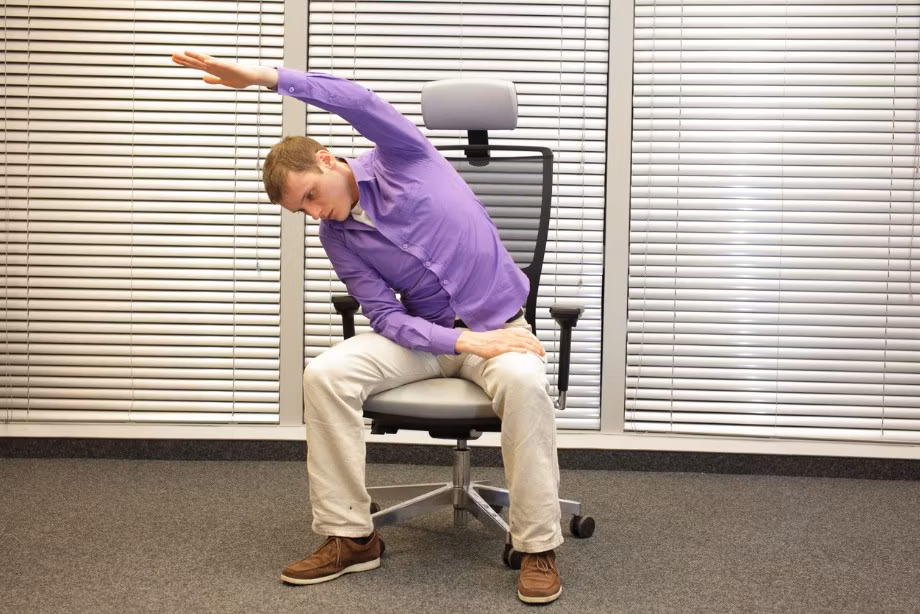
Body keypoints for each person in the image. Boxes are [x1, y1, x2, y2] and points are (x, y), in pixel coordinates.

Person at [171, 50, 565, 604]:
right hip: (431, 338)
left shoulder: (406, 157)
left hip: (500, 329)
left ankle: (537, 544)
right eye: (299, 211)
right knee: (326, 374)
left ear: (328, 160)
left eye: (310, 195)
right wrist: (459, 341)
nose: (314, 213)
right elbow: (384, 316)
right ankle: (352, 536)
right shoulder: (337, 236)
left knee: (525, 384)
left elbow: (355, 99)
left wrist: (262, 77)